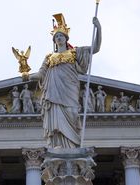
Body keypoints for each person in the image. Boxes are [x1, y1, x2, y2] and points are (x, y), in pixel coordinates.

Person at [36, 13, 101, 148]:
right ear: (54, 41)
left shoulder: (74, 52)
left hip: (69, 90)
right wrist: (25, 76)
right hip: (53, 93)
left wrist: (98, 28)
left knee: (72, 114)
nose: (59, 38)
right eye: (56, 37)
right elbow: (40, 74)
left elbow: (95, 48)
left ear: (66, 39)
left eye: (61, 36)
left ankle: (71, 148)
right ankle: (58, 146)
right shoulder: (49, 57)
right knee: (56, 118)